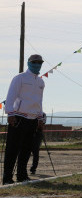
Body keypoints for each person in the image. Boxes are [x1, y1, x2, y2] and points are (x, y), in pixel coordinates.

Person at [3, 54, 46, 184]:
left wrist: (40, 117)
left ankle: (22, 175)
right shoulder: (19, 78)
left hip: (33, 119)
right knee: (12, 149)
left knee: (27, 149)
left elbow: (39, 101)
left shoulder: (41, 82)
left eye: (39, 62)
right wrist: (10, 113)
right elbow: (11, 95)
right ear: (29, 62)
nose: (37, 64)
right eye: (34, 62)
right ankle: (7, 178)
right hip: (18, 117)